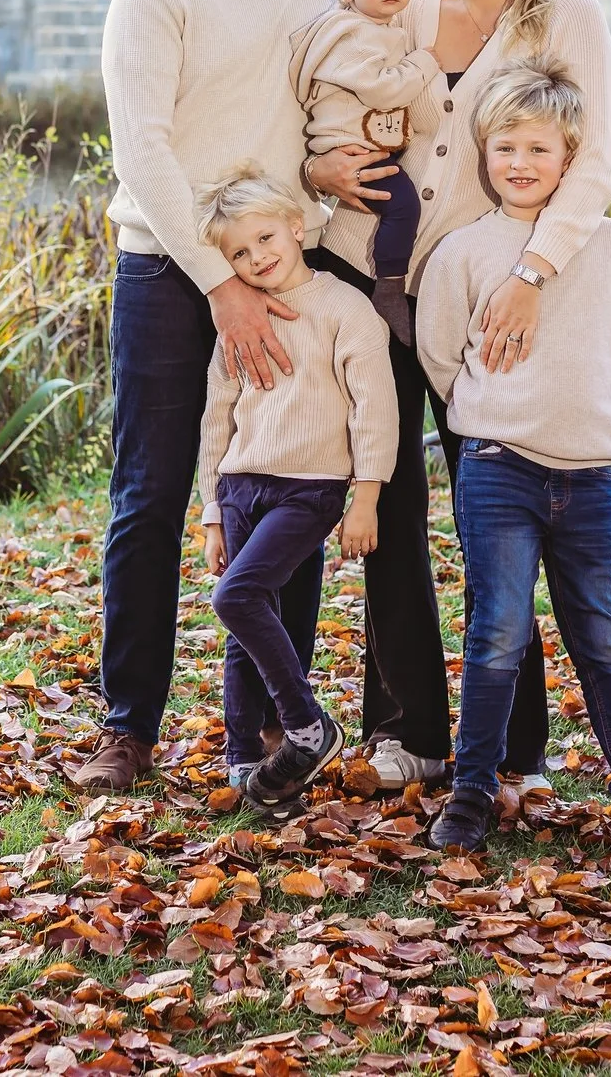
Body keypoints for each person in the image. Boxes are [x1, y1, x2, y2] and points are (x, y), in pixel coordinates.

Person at [303, 0, 611, 797]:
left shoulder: (567, 18)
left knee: (496, 506)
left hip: (489, 294)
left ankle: (515, 746)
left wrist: (531, 274)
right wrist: (319, 172)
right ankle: (408, 729)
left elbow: (595, 162)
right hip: (369, 272)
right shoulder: (409, 4)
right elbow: (344, 102)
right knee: (387, 499)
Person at [72, 0, 338, 793]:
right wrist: (217, 279)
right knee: (149, 496)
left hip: (283, 267)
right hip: (166, 267)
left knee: (286, 488)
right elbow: (140, 147)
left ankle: (271, 723)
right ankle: (127, 725)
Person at [414, 61, 611, 863]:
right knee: (497, 633)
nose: (522, 163)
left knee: (603, 639)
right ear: (483, 154)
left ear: (571, 158)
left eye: (540, 148)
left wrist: (593, 420)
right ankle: (472, 792)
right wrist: (492, 411)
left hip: (588, 477)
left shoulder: (608, 246)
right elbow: (439, 357)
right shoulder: (465, 252)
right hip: (498, 470)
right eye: (506, 148)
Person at [190, 168, 394, 805]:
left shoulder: (344, 309)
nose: (258, 258)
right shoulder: (237, 320)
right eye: (240, 254)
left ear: (297, 227)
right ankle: (244, 753)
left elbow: (374, 406)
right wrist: (213, 511)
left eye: (266, 239)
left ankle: (308, 727)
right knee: (249, 620)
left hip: (311, 488)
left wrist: (366, 497)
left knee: (237, 596)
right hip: (242, 483)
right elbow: (216, 414)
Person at [286, 0, 441, 345]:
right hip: (349, 147)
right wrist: (425, 63)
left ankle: (388, 280)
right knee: (404, 205)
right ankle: (390, 287)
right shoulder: (351, 34)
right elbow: (384, 87)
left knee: (397, 204)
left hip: (362, 141)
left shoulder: (382, 26)